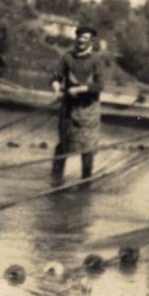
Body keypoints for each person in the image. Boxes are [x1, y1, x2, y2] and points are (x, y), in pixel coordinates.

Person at [50, 25, 103, 185]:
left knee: (87, 149)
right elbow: (56, 76)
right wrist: (56, 86)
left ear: (91, 41)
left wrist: (81, 89)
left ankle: (85, 183)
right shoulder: (67, 57)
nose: (81, 41)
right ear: (76, 38)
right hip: (68, 108)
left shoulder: (95, 60)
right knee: (63, 145)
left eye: (85, 38)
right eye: (79, 37)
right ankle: (55, 181)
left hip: (88, 111)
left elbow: (99, 85)